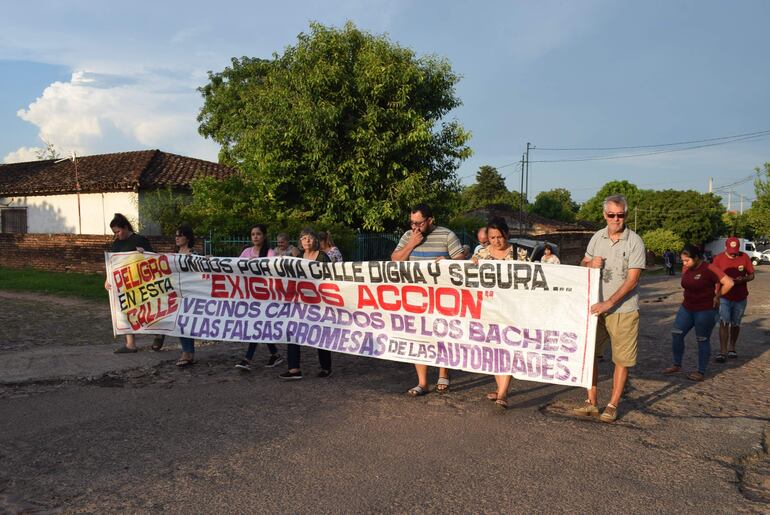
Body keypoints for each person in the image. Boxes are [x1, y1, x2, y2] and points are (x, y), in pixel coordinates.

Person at [572, 194, 646, 423]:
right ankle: (591, 401)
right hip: (596, 308)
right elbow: (582, 265)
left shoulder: (635, 241)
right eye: (612, 215)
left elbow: (633, 280)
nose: (616, 219)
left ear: (626, 215)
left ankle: (613, 404)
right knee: (590, 355)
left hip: (623, 309)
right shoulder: (596, 238)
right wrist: (589, 263)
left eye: (620, 215)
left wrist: (609, 303)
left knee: (621, 359)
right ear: (605, 215)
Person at [391, 203, 465, 396]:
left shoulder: (447, 235)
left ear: (430, 220)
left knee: (443, 336)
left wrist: (448, 262)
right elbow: (395, 260)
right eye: (412, 222)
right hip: (416, 298)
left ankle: (443, 373)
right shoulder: (408, 236)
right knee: (419, 338)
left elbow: (461, 262)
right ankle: (422, 382)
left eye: (419, 223)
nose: (415, 227)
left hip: (444, 297)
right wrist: (411, 244)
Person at [663, 245, 733, 381]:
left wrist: (717, 296)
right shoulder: (686, 268)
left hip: (705, 310)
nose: (684, 264)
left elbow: (729, 283)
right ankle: (676, 364)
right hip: (687, 308)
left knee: (702, 339)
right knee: (676, 333)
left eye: (687, 260)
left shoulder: (709, 268)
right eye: (682, 260)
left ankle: (700, 371)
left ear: (696, 258)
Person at [472, 217, 515, 410]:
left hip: (512, 309)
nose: (496, 241)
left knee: (508, 348)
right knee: (493, 349)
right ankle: (500, 389)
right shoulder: (481, 254)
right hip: (487, 309)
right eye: (492, 237)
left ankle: (504, 392)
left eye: (500, 236)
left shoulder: (520, 254)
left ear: (507, 234)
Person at [279, 228, 333, 380]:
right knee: (293, 331)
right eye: (303, 238)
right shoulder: (298, 257)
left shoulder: (322, 257)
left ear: (315, 240)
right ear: (300, 242)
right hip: (300, 302)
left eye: (309, 238)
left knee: (320, 333)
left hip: (319, 302)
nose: (306, 241)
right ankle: (294, 368)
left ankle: (325, 367)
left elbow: (330, 278)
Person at [234, 224, 284, 371]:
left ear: (264, 236)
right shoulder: (246, 252)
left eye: (258, 234)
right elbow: (234, 268)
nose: (255, 237)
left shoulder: (269, 253)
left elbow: (274, 272)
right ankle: (275, 353)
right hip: (250, 295)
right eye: (253, 234)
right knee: (260, 326)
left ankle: (247, 359)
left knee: (256, 325)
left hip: (265, 295)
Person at [150, 223, 198, 367]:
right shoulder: (173, 255)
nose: (176, 238)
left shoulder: (193, 254)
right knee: (179, 323)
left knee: (185, 323)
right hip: (175, 294)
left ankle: (188, 353)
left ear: (187, 238)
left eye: (180, 235)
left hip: (189, 294)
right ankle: (187, 352)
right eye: (176, 235)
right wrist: (142, 255)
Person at [104, 213, 153, 353]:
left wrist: (144, 253)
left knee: (146, 310)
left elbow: (155, 258)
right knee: (126, 310)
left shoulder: (140, 240)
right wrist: (107, 279)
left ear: (125, 227)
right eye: (114, 232)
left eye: (118, 231)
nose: (117, 235)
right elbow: (111, 264)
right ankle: (130, 344)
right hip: (123, 284)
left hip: (141, 283)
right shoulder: (116, 244)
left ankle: (158, 333)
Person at [712, 237, 754, 362]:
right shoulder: (718, 259)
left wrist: (744, 279)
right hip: (724, 295)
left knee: (735, 324)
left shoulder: (744, 257)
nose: (733, 254)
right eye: (731, 252)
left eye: (735, 252)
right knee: (724, 322)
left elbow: (751, 275)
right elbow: (713, 276)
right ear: (725, 247)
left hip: (740, 296)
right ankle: (722, 351)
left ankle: (732, 347)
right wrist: (716, 294)